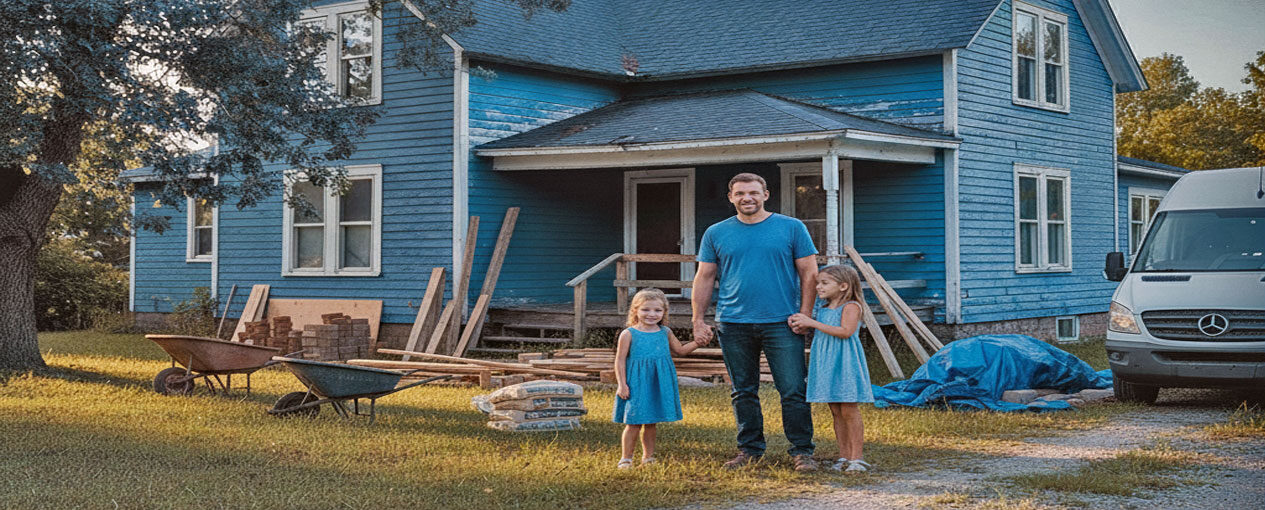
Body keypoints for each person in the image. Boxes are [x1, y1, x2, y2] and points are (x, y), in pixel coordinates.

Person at [691, 172, 820, 472]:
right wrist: (699, 319)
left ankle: (802, 451)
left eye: (752, 192)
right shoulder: (716, 233)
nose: (746, 198)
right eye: (740, 193)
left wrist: (806, 314)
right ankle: (749, 450)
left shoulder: (791, 228)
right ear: (731, 197)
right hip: (733, 322)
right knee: (743, 390)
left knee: (792, 389)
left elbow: (809, 274)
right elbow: (704, 277)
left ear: (765, 194)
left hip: (782, 322)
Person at [788, 265, 874, 472]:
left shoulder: (852, 306)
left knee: (848, 409)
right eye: (818, 282)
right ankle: (843, 456)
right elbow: (824, 330)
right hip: (826, 363)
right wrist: (803, 324)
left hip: (844, 362)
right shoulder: (824, 309)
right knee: (835, 410)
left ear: (843, 286)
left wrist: (812, 323)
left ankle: (857, 458)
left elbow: (845, 331)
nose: (818, 287)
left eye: (824, 283)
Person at [613, 288, 705, 469]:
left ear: (664, 312)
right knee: (633, 422)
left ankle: (648, 458)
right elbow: (620, 360)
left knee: (651, 422)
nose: (651, 314)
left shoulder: (665, 332)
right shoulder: (629, 334)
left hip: (657, 383)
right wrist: (622, 384)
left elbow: (680, 351)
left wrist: (698, 343)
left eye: (657, 310)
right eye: (645, 310)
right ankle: (626, 458)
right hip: (636, 383)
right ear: (635, 311)